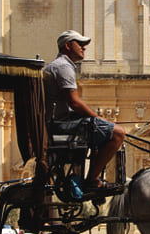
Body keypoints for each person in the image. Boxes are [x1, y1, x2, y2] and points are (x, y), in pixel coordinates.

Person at [43, 30, 126, 193]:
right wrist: (99, 119)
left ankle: (92, 178)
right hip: (63, 124)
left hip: (62, 122)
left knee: (104, 131)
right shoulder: (63, 66)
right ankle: (92, 180)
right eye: (79, 44)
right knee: (118, 133)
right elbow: (74, 102)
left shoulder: (60, 65)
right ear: (67, 46)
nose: (84, 48)